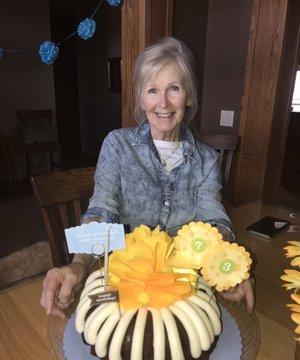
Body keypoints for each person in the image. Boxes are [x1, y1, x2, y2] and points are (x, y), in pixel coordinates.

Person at [40, 37, 254, 319]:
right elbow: (102, 211)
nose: (162, 102)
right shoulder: (117, 145)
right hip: (122, 285)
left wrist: (224, 264)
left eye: (174, 88)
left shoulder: (207, 160)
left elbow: (214, 222)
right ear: (141, 98)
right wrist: (79, 265)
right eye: (152, 90)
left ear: (188, 96)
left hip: (180, 291)